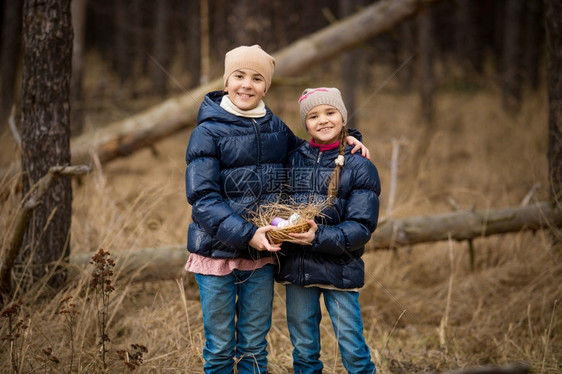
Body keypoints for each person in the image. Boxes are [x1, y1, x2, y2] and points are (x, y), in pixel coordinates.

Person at [184, 46, 369, 373]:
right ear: (226, 82)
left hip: (262, 255)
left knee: (255, 343)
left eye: (257, 79)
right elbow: (202, 198)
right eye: (239, 76)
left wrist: (348, 139)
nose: (246, 85)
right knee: (220, 347)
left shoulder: (274, 128)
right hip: (216, 254)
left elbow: (314, 148)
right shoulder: (207, 131)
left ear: (265, 87)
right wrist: (246, 234)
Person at [276, 87, 381, 374]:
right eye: (313, 116)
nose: (322, 120)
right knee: (304, 350)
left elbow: (361, 226)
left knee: (352, 347)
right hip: (298, 269)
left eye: (330, 112)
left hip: (340, 270)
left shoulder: (360, 166)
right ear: (305, 123)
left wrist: (318, 236)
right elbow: (281, 207)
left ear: (343, 117)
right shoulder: (293, 158)